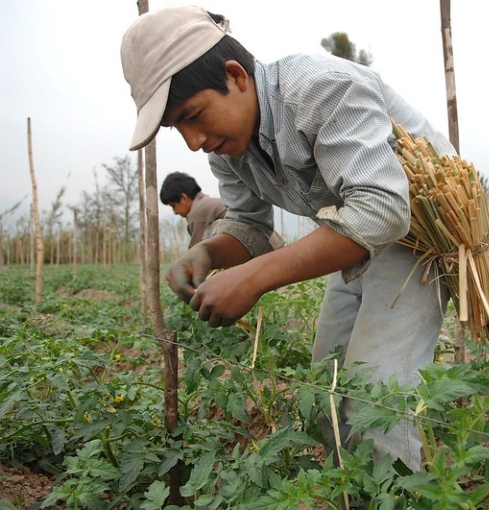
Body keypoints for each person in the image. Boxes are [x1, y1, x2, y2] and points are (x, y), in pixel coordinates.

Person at [121, 5, 455, 473]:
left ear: (236, 77)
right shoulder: (229, 148)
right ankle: (356, 493)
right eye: (179, 128)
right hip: (350, 238)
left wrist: (254, 278)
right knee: (327, 383)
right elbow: (248, 225)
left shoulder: (319, 88)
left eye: (193, 115)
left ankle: (402, 496)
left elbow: (382, 210)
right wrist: (207, 252)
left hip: (418, 235)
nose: (193, 141)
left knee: (377, 395)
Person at [160, 171, 284, 249]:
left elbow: (198, 255)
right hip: (274, 246)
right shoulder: (206, 204)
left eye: (173, 206)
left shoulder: (198, 213)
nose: (175, 212)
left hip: (266, 252)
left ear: (183, 198)